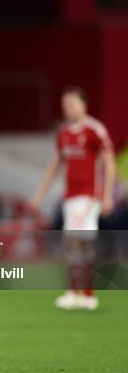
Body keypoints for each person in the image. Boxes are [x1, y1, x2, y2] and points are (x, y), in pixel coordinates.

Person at [31, 87, 116, 310]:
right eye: (64, 105)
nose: (67, 108)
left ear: (83, 105)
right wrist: (39, 195)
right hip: (70, 196)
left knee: (75, 239)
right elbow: (55, 165)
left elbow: (108, 162)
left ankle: (78, 293)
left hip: (89, 195)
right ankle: (85, 294)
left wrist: (107, 195)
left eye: (71, 104)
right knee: (78, 242)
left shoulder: (94, 130)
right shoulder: (63, 132)